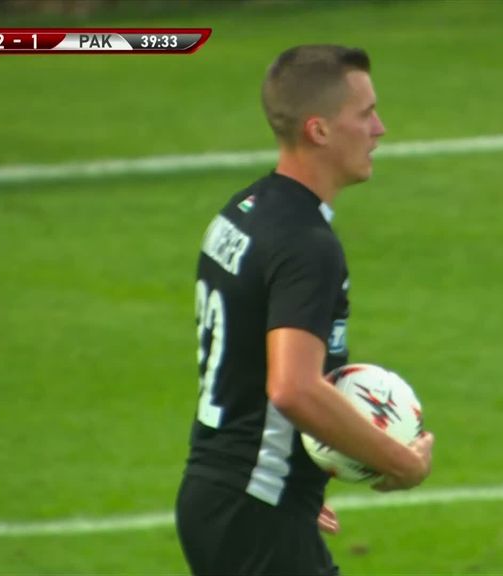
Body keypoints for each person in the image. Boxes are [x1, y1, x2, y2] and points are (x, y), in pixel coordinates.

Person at [175, 44, 435, 576]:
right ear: (319, 130)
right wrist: (402, 463)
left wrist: (293, 479)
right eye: (365, 114)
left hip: (229, 496)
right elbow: (293, 389)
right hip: (255, 511)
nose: (379, 129)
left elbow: (244, 362)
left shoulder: (243, 212)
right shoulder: (306, 245)